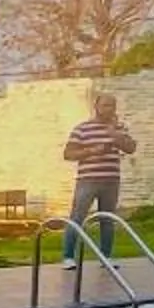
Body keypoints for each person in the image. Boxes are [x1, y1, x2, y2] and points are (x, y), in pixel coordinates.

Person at [61, 90, 136, 266]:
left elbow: (130, 148)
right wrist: (91, 151)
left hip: (111, 180)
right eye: (105, 105)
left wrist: (114, 133)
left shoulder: (120, 127)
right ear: (96, 107)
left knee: (107, 218)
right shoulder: (82, 128)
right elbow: (68, 153)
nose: (109, 109)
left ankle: (106, 257)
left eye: (112, 106)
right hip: (88, 180)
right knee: (77, 216)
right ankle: (68, 257)